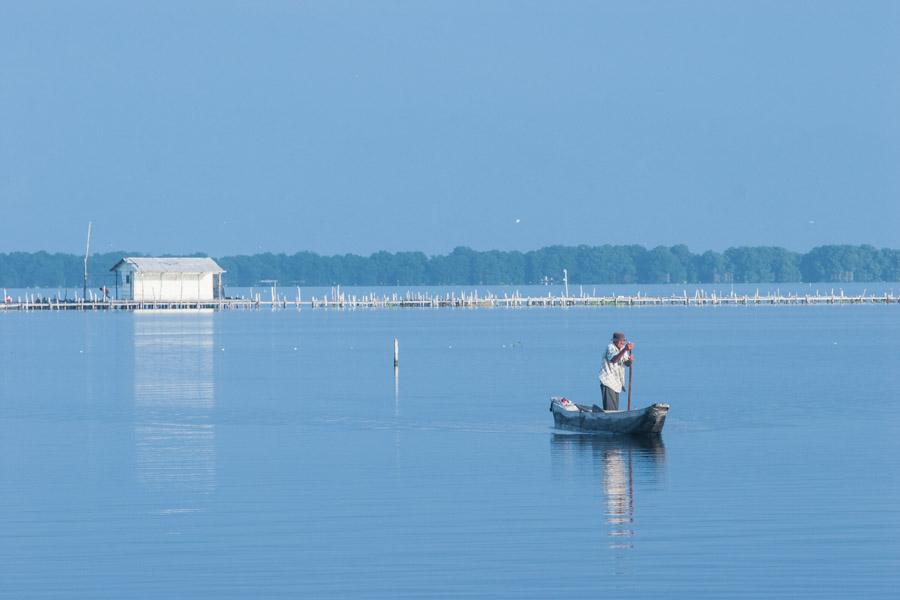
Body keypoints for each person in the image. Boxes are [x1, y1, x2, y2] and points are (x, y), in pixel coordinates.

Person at [599, 332, 633, 411]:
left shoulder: (623, 349)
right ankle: (609, 421)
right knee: (610, 410)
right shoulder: (610, 347)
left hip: (617, 383)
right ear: (614, 340)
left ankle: (614, 419)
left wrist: (630, 361)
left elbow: (626, 363)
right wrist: (625, 349)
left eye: (623, 340)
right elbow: (614, 359)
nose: (622, 342)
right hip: (607, 381)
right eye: (620, 340)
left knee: (614, 409)